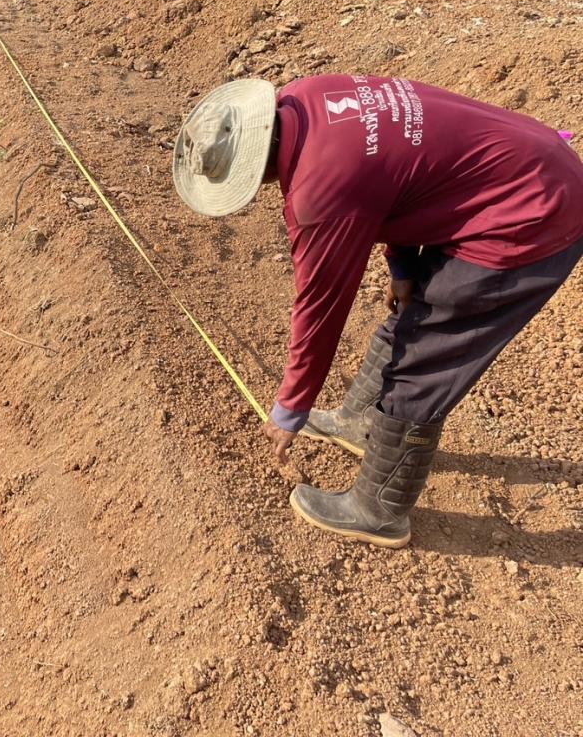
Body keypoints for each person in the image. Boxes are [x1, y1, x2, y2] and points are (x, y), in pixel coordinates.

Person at [171, 75, 583, 548]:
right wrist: (404, 264)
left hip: (534, 210)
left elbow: (320, 310)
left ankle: (380, 510)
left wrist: (289, 410)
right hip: (526, 160)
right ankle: (359, 423)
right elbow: (398, 165)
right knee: (415, 310)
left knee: (428, 356)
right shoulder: (308, 97)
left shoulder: (317, 192)